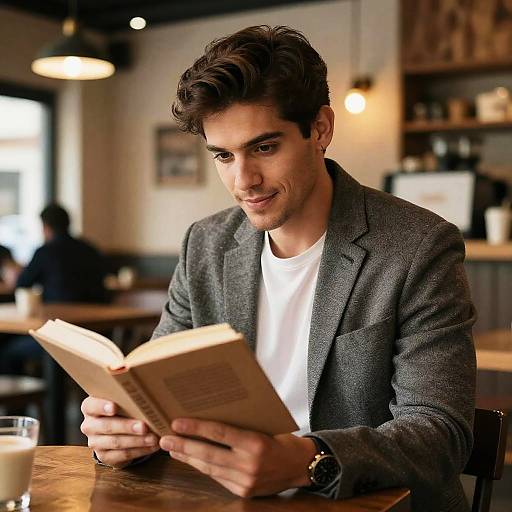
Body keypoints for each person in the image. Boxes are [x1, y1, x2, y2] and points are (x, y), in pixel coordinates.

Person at [80, 26, 476, 511]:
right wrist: (119, 435)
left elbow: (441, 433)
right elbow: (154, 385)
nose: (243, 181)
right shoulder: (204, 245)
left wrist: (308, 461)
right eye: (224, 156)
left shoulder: (418, 246)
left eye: (264, 147)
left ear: (321, 129)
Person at [0, 204, 108, 375]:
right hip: (97, 338)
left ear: (45, 227)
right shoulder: (90, 250)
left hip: (57, 335)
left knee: (7, 351)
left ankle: (26, 397)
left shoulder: (45, 252)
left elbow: (22, 284)